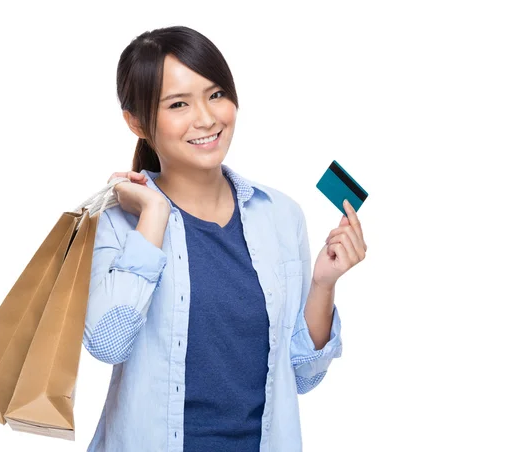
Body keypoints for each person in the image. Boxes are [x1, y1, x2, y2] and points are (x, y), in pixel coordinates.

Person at [82, 25, 367, 452]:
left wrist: (324, 284)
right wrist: (155, 215)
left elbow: (304, 376)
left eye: (216, 94)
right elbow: (108, 343)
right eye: (179, 103)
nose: (207, 117)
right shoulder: (118, 221)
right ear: (136, 121)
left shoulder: (280, 216)